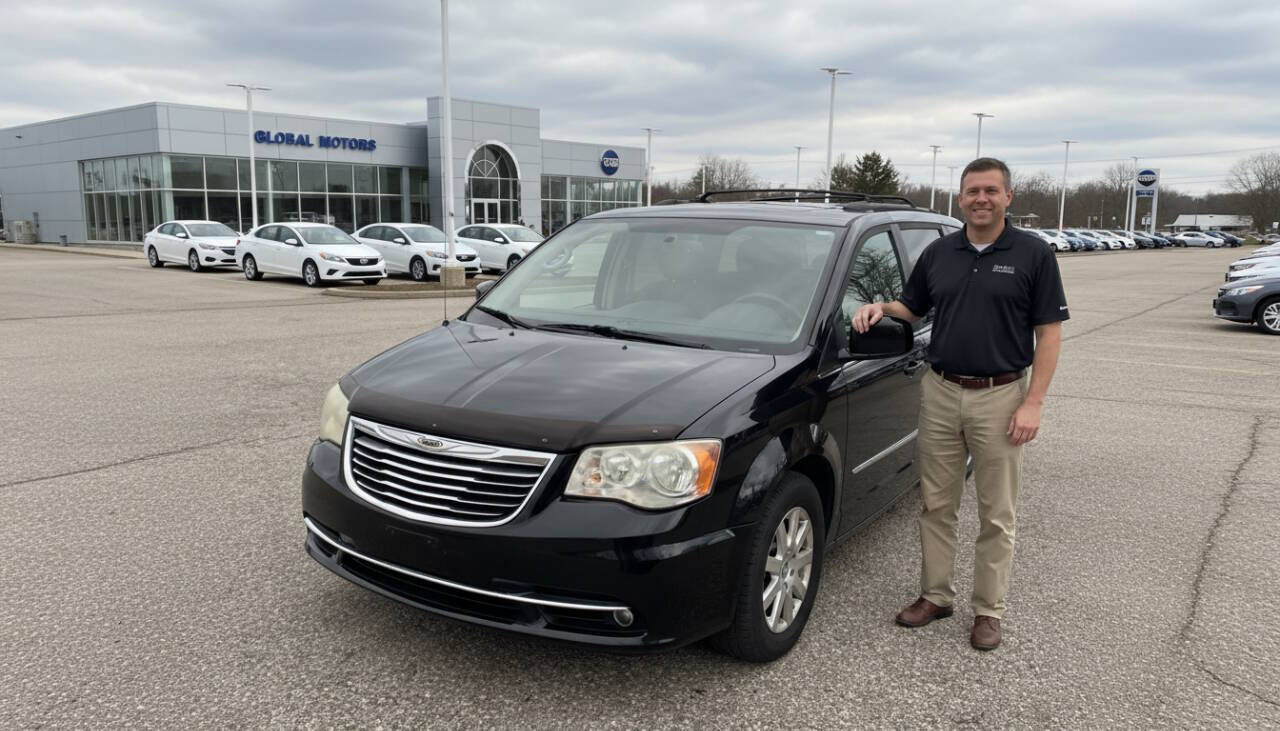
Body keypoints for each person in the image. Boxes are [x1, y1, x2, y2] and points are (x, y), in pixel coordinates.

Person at [851, 157, 1068, 651]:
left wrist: (1033, 402)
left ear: (1008, 197)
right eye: (972, 191)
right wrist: (880, 307)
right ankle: (936, 596)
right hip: (942, 390)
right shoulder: (940, 252)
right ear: (961, 197)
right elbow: (913, 306)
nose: (981, 199)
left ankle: (988, 610)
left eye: (991, 190)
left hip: (1001, 394)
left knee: (996, 512)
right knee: (935, 503)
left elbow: (1049, 334)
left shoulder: (1033, 254)